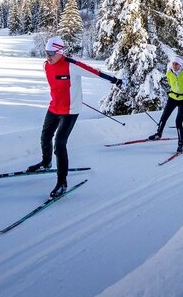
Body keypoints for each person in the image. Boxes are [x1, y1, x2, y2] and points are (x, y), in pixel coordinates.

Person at [27, 36, 123, 198]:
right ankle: (46, 162)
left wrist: (115, 80)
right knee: (45, 136)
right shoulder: (46, 66)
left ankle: (62, 182)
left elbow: (95, 72)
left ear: (60, 51)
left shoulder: (72, 66)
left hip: (70, 110)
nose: (48, 57)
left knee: (59, 143)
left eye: (51, 53)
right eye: (46, 52)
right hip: (54, 107)